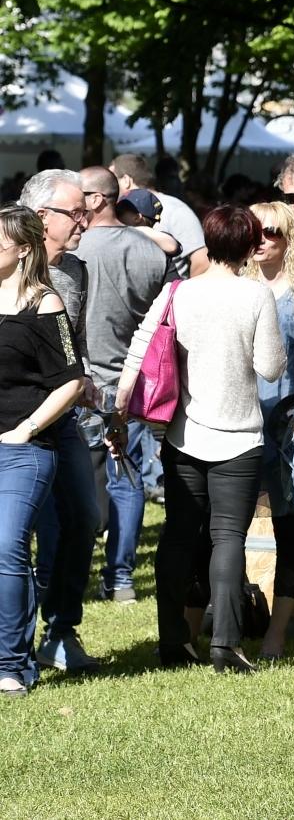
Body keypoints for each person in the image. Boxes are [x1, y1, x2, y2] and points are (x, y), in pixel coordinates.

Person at [117, 203, 284, 674]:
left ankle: (173, 640)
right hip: (240, 436)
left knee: (177, 536)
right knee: (228, 537)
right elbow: (271, 366)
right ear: (251, 247)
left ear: (207, 243)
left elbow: (140, 349)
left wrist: (117, 412)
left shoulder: (178, 292)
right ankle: (226, 646)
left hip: (182, 432)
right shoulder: (255, 296)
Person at [0, 204, 87, 697]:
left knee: (7, 546)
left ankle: (11, 664)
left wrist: (27, 428)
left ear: (24, 249)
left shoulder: (44, 304)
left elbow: (71, 382)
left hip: (24, 449)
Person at [72, 167, 169, 605]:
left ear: (96, 200)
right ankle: (122, 578)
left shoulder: (71, 250)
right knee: (126, 480)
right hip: (135, 382)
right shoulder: (149, 250)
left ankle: (74, 572)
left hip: (81, 382)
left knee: (75, 481)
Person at [20, 168, 100, 676]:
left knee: (84, 518)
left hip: (63, 418)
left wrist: (84, 379)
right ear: (40, 216)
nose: (85, 222)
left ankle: (61, 630)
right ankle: (15, 636)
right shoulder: (6, 266)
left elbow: (78, 344)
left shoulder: (75, 271)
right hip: (14, 419)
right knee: (16, 531)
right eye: (76, 213)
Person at [244, 201, 294, 658]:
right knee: (222, 528)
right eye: (253, 231)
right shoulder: (235, 287)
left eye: (272, 232)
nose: (261, 239)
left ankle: (277, 633)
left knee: (290, 529)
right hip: (237, 426)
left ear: (289, 238)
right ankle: (238, 610)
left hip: (289, 429)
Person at [110, 153, 209, 277]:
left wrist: (183, 294)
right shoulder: (119, 210)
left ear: (126, 180)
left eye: (112, 181)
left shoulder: (174, 210)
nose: (109, 187)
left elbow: (202, 260)